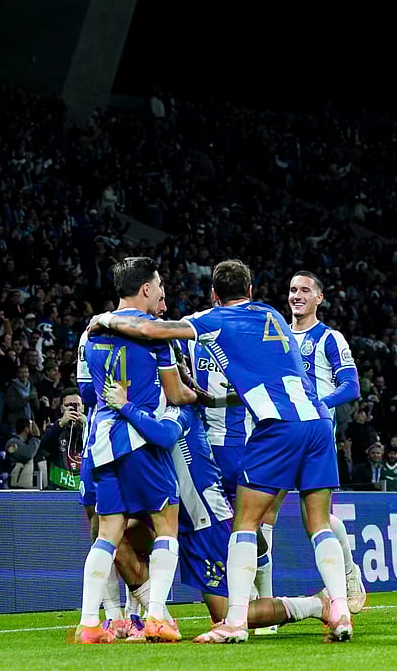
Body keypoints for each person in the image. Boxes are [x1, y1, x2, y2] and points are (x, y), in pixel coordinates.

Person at [88, 259, 353, 643]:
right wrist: (210, 397)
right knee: (318, 523)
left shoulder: (214, 321)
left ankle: (247, 619)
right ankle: (340, 609)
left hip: (275, 428)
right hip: (317, 422)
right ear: (251, 291)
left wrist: (107, 319)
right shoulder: (272, 315)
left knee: (245, 524)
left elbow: (150, 329)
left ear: (214, 295)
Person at [100, 375, 341, 643]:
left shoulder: (180, 409)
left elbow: (164, 436)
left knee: (225, 615)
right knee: (118, 539)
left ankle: (315, 605)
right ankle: (160, 618)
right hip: (169, 514)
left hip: (204, 520)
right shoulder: (148, 411)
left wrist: (125, 406)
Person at [74, 257, 197, 645]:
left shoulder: (91, 333)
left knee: (107, 533)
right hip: (141, 440)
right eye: (158, 285)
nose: (161, 291)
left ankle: (89, 624)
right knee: (166, 526)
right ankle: (156, 616)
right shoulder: (155, 335)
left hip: (103, 442)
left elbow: (88, 392)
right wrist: (200, 396)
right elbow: (175, 393)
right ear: (146, 288)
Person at [248, 270, 365, 631]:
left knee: (316, 518)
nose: (297, 295)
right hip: (282, 434)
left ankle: (349, 573)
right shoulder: (276, 336)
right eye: (292, 290)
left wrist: (316, 402)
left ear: (319, 298)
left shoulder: (329, 338)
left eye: (304, 290)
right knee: (265, 514)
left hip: (315, 435)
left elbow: (351, 386)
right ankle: (266, 609)